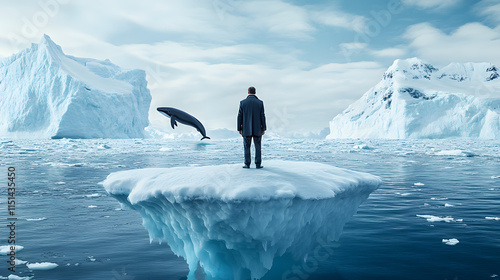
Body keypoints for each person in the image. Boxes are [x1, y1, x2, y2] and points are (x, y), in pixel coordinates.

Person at [237, 86, 267, 169]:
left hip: (246, 129)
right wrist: (263, 128)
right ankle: (258, 164)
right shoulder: (260, 102)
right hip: (258, 128)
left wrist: (239, 128)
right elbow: (262, 116)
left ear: (248, 92)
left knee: (246, 147)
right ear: (255, 92)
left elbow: (240, 116)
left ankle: (247, 164)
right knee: (258, 147)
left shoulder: (243, 102)